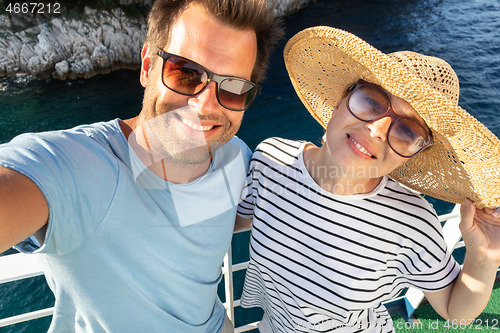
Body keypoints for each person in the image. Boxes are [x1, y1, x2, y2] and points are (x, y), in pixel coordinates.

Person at [0, 0, 282, 332]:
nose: (205, 104)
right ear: (148, 66)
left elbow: (236, 215)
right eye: (186, 73)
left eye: (233, 88)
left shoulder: (235, 158)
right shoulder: (74, 167)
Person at [236, 26, 500, 333]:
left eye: (407, 132)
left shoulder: (411, 222)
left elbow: (457, 311)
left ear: (411, 155)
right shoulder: (270, 160)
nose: (377, 128)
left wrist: (484, 256)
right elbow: (230, 221)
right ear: (339, 103)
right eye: (371, 102)